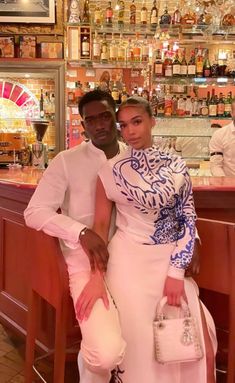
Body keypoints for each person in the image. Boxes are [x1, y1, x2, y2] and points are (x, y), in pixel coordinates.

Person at [24, 90, 200, 383]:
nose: (99, 125)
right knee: (106, 352)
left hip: (133, 261)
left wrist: (193, 242)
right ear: (83, 125)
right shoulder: (67, 161)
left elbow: (175, 208)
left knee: (157, 332)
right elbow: (35, 212)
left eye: (105, 116)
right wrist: (80, 232)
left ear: (116, 118)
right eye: (90, 120)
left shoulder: (135, 156)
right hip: (86, 263)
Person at [78, 96, 217, 383]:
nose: (130, 131)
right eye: (124, 125)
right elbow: (101, 227)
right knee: (135, 338)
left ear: (153, 121)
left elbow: (188, 219)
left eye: (137, 122)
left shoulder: (177, 166)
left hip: (169, 260)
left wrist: (177, 271)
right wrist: (95, 276)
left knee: (191, 336)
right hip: (127, 261)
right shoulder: (110, 170)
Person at [209, 99, 235, 176]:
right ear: (232, 113)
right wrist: (225, 183)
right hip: (230, 185)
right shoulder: (219, 135)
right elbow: (216, 165)